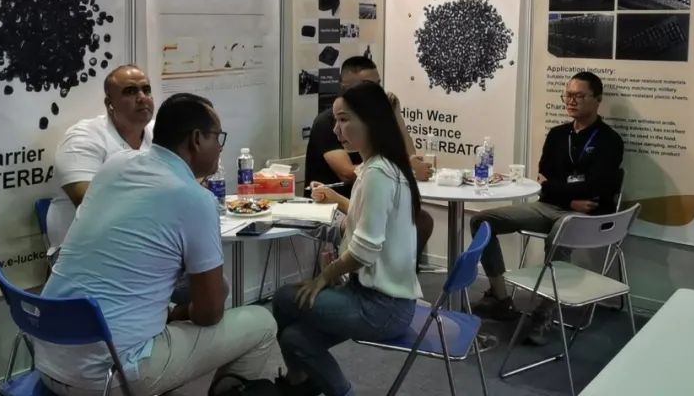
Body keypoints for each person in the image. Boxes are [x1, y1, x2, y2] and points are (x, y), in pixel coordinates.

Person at [35, 93, 277, 396]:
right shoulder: (194, 198)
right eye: (217, 137)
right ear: (196, 139)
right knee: (262, 323)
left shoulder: (115, 165)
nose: (220, 147)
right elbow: (210, 313)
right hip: (108, 374)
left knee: (215, 289)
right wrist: (177, 315)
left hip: (49, 356)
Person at [273, 82, 423, 396]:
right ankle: (305, 382)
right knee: (295, 339)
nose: (336, 129)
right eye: (335, 121)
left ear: (371, 121)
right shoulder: (380, 166)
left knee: (285, 299)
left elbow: (365, 251)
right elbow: (358, 229)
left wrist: (325, 276)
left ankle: (297, 383)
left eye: (344, 120)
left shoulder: (378, 173)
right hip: (377, 298)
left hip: (381, 308)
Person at [469, 71, 624, 326]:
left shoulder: (610, 140)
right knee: (482, 221)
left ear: (598, 99)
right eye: (568, 95)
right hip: (551, 206)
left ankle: (545, 311)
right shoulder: (557, 135)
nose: (571, 101)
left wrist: (555, 188)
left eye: (579, 96)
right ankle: (500, 298)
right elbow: (543, 180)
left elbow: (598, 187)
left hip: (586, 216)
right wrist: (568, 197)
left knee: (561, 230)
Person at [303, 56, 434, 258]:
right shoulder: (328, 123)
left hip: (368, 202)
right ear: (346, 88)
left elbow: (409, 155)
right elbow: (347, 173)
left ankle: (394, 270)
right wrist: (404, 165)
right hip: (333, 205)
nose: (377, 92)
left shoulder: (374, 123)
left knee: (420, 220)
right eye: (368, 86)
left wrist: (395, 116)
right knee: (388, 229)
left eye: (378, 85)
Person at [47, 64, 155, 251]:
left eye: (146, 90)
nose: (142, 97)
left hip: (141, 242)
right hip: (83, 253)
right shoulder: (82, 138)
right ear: (109, 103)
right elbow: (92, 206)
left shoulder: (160, 132)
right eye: (130, 91)